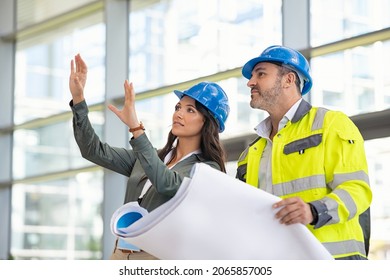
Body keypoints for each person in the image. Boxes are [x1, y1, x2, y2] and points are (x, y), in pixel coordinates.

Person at [69, 54, 230, 260]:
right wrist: (79, 101)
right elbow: (93, 150)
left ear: (208, 123)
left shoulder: (207, 171)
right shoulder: (149, 157)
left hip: (157, 258)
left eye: (190, 110)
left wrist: (136, 128)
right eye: (178, 107)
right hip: (120, 253)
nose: (179, 114)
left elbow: (166, 183)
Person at [236, 45, 372, 260]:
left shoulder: (330, 124)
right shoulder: (252, 152)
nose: (250, 82)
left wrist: (315, 210)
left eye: (260, 74)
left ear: (288, 80)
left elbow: (357, 190)